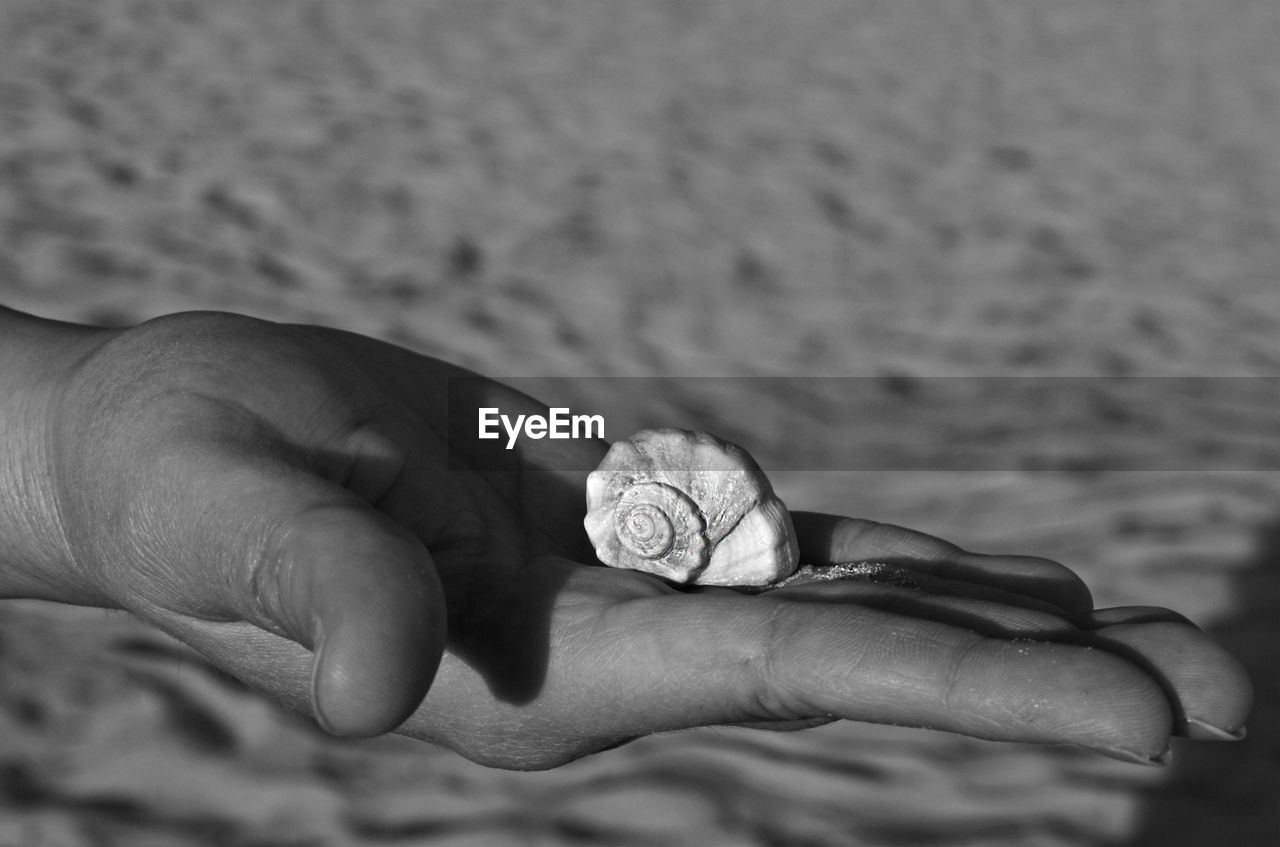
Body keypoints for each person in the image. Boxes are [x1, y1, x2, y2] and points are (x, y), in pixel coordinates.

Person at [0, 306, 1251, 769]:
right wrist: (66, 457)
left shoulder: (566, 447)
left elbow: (515, 423)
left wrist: (60, 426)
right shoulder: (615, 496)